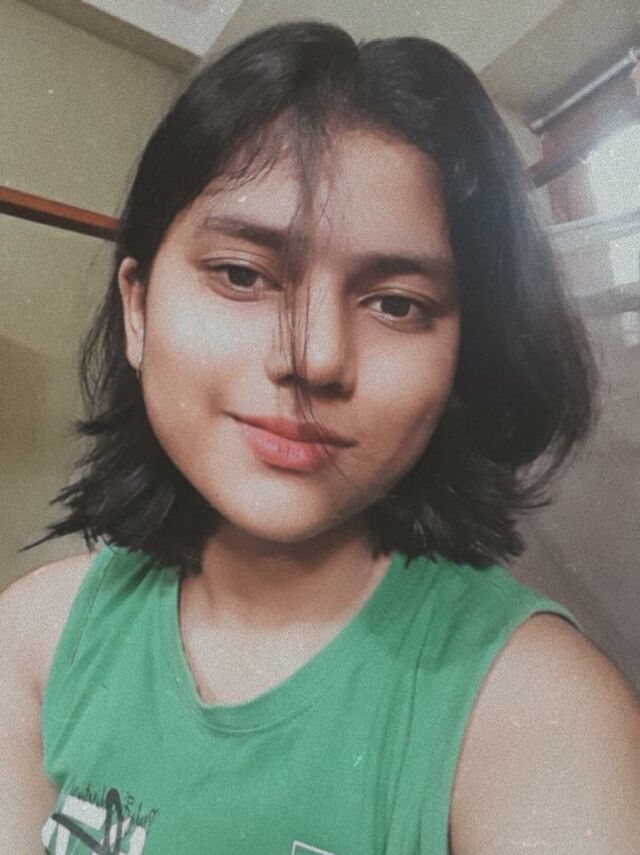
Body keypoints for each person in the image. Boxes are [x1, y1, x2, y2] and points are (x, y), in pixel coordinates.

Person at [1, 20, 638, 855]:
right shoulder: (37, 634)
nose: (316, 357)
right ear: (138, 308)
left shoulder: (536, 708)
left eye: (396, 303)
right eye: (242, 274)